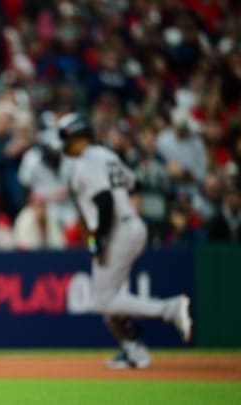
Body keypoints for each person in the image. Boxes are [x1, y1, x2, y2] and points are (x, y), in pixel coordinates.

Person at [58, 113, 193, 369]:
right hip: (130, 226)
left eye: (68, 138)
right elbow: (134, 183)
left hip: (116, 231)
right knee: (107, 296)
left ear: (79, 136)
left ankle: (170, 309)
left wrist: (97, 239)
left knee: (104, 300)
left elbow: (105, 201)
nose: (65, 144)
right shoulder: (107, 156)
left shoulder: (89, 160)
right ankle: (134, 350)